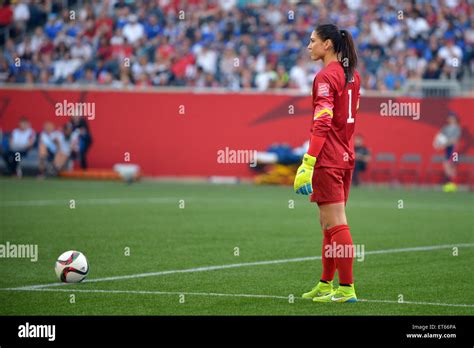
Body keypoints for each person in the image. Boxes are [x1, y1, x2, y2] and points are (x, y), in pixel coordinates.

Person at [293, 24, 360, 303]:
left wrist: (308, 162)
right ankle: (325, 283)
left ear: (328, 44)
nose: (309, 46)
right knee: (327, 224)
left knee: (337, 223)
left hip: (328, 159)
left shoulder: (324, 76)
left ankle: (346, 289)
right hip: (344, 156)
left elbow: (322, 121)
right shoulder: (352, 75)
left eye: (313, 41)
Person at [440, 112, 461, 192]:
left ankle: (453, 184)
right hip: (447, 149)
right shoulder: (445, 128)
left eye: (452, 118)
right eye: (449, 118)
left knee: (452, 165)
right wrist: (440, 143)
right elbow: (441, 137)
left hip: (454, 149)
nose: (450, 119)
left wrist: (446, 143)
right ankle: (449, 184)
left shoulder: (457, 128)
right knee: (446, 165)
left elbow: (455, 140)